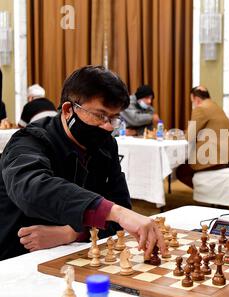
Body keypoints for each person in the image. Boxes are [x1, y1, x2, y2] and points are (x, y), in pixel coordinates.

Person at [0, 66, 165, 261]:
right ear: (68, 110)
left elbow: (120, 220)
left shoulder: (106, 146)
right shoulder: (29, 141)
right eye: (100, 115)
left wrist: (72, 233)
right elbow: (30, 188)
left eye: (114, 118)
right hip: (16, 257)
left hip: (75, 255)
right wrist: (114, 212)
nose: (108, 126)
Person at [176, 86, 229, 189]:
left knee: (181, 171)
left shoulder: (200, 109)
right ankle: (213, 191)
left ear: (196, 99)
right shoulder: (216, 107)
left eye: (192, 101)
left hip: (216, 160)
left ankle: (209, 193)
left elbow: (189, 137)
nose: (193, 104)